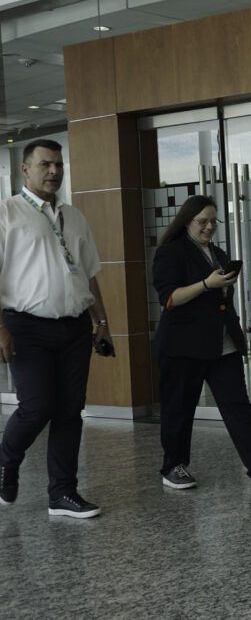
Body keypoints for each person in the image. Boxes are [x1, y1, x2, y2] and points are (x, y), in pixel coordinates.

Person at [0, 139, 115, 518]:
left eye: (59, 165)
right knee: (37, 407)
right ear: (25, 170)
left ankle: (62, 494)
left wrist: (101, 321)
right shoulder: (7, 214)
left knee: (70, 411)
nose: (54, 172)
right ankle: (7, 457)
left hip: (74, 328)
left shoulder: (74, 216)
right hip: (26, 327)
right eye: (45, 165)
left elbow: (88, 274)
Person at [152, 195, 251, 489]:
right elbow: (169, 298)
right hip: (183, 345)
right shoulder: (171, 252)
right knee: (179, 409)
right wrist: (207, 284)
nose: (209, 227)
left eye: (213, 221)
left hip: (221, 343)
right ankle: (174, 467)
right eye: (202, 221)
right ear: (187, 221)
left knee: (237, 405)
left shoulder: (216, 252)